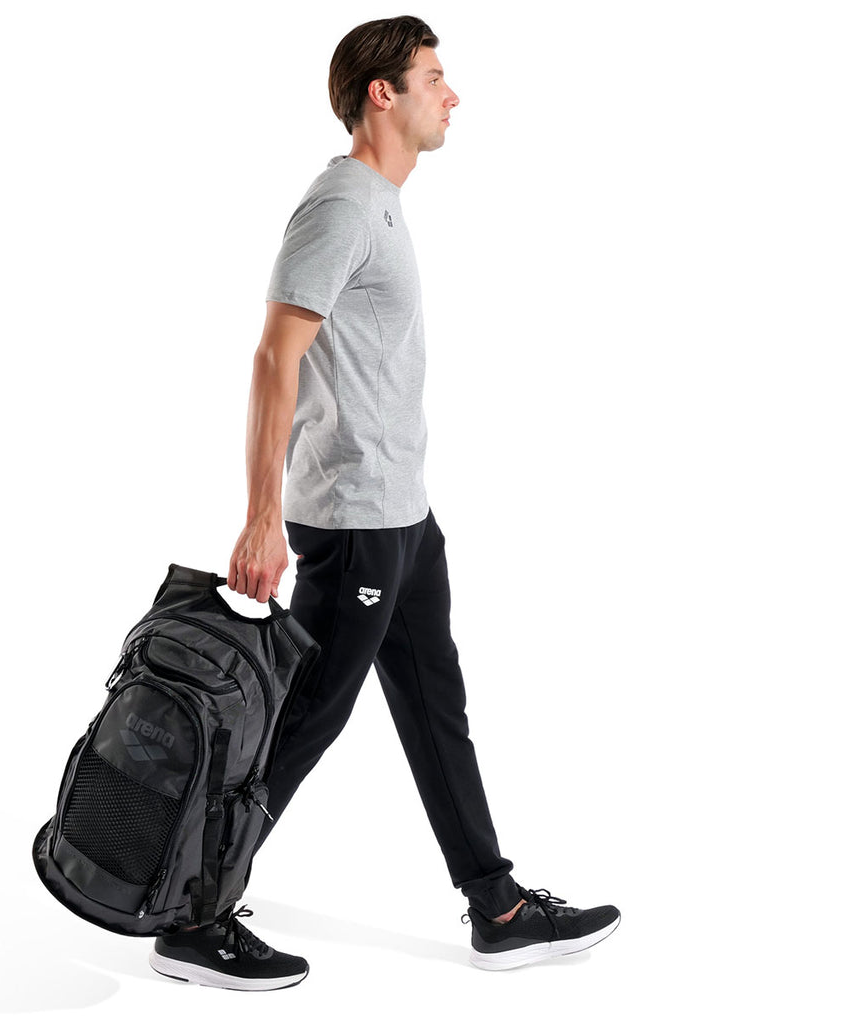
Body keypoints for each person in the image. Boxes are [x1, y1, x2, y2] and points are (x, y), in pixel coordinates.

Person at [148, 15, 620, 991]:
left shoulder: (383, 204)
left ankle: (498, 907)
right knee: (301, 721)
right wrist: (261, 515)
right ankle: (193, 913)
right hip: (353, 524)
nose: (452, 94)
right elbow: (274, 356)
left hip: (403, 517)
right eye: (434, 77)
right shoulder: (341, 206)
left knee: (437, 708)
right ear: (382, 93)